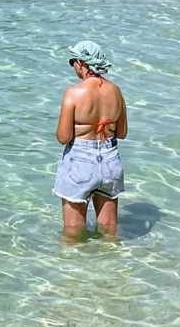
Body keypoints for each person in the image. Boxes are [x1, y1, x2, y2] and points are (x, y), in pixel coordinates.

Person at [54, 40, 126, 239]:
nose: (73, 66)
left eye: (73, 61)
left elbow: (63, 137)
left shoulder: (73, 93)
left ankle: (74, 269)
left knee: (73, 234)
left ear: (81, 63)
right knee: (109, 232)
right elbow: (121, 133)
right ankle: (110, 267)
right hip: (111, 160)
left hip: (80, 162)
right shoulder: (116, 92)